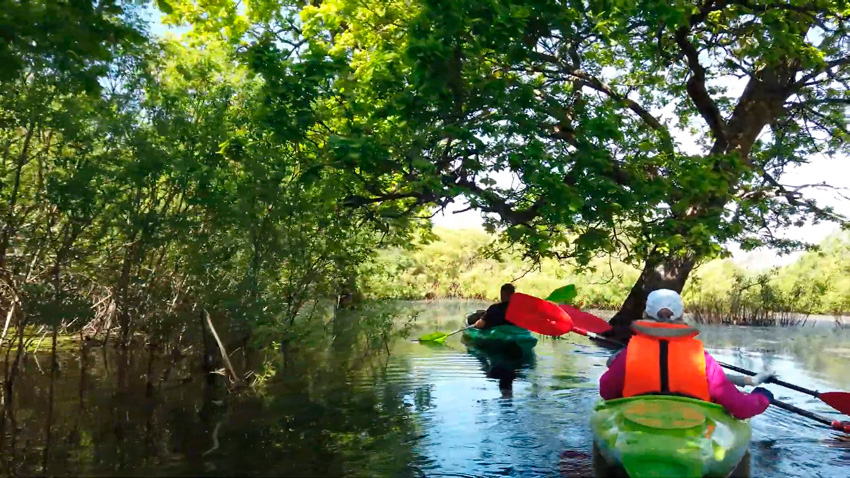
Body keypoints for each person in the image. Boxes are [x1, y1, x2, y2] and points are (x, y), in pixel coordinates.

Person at [599, 289, 774, 420]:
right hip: (691, 423)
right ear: (681, 314)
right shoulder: (700, 357)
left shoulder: (630, 353)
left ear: (646, 314)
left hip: (638, 420)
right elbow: (740, 408)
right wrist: (762, 397)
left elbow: (607, 392)